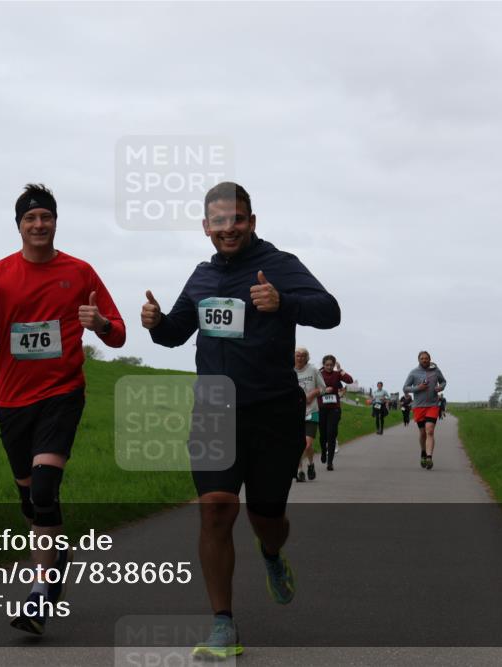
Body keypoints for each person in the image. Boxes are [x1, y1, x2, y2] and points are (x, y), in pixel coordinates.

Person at [141, 182, 340, 659]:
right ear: (206, 226)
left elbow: (330, 311)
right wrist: (156, 322)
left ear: (251, 221)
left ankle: (271, 554)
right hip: (214, 409)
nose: (228, 229)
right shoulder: (202, 277)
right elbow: (175, 334)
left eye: (237, 220)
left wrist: (284, 302)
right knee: (215, 508)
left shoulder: (279, 264)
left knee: (265, 518)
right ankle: (223, 623)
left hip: (273, 411)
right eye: (219, 221)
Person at [0, 184, 126, 635]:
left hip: (62, 394)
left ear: (55, 222)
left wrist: (100, 323)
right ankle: (55, 555)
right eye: (30, 219)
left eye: (46, 217)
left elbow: (118, 334)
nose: (39, 225)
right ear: (19, 225)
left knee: (44, 489)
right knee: (31, 500)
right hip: (12, 401)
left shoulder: (80, 272)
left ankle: (39, 594)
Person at [402, 351, 447, 470]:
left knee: (430, 431)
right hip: (419, 406)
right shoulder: (413, 373)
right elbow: (405, 388)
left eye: (426, 358)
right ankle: (423, 452)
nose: (424, 360)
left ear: (430, 359)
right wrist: (418, 388)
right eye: (422, 358)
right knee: (422, 433)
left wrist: (440, 387)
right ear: (418, 360)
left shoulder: (436, 371)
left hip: (432, 405)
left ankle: (429, 457)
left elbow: (443, 381)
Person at [293, 347, 324, 482]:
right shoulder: (289, 371)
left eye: (303, 356)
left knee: (307, 445)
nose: (300, 358)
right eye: (297, 355)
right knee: (297, 444)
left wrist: (312, 394)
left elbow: (323, 388)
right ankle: (300, 471)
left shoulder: (313, 370)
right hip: (294, 412)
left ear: (307, 358)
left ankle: (310, 464)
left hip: (312, 411)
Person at [318, 356, 353, 469]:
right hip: (321, 407)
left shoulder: (337, 374)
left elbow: (350, 380)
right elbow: (312, 387)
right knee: (323, 434)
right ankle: (323, 450)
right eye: (327, 365)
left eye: (331, 365)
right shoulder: (318, 373)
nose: (329, 367)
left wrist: (340, 369)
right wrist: (323, 390)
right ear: (323, 364)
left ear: (334, 365)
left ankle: (330, 462)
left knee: (331, 434)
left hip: (334, 408)